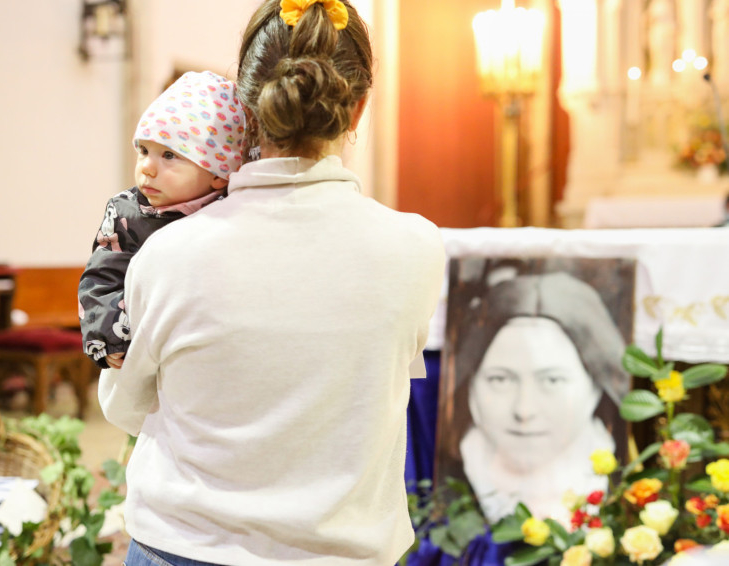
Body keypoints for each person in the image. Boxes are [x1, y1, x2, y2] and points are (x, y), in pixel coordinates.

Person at [96, 0, 446, 564]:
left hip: (183, 547)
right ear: (358, 109)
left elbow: (126, 407)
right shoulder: (417, 246)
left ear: (247, 107)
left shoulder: (169, 252)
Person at [78, 71, 245, 369]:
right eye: (143, 151)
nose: (147, 167)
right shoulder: (126, 213)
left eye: (169, 155)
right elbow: (101, 278)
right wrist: (109, 336)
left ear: (219, 174)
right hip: (139, 348)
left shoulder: (233, 213)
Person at [441, 268, 630, 526]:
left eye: (552, 381)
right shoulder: (441, 493)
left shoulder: (627, 489)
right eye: (500, 380)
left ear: (595, 388)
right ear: (472, 386)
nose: (524, 410)